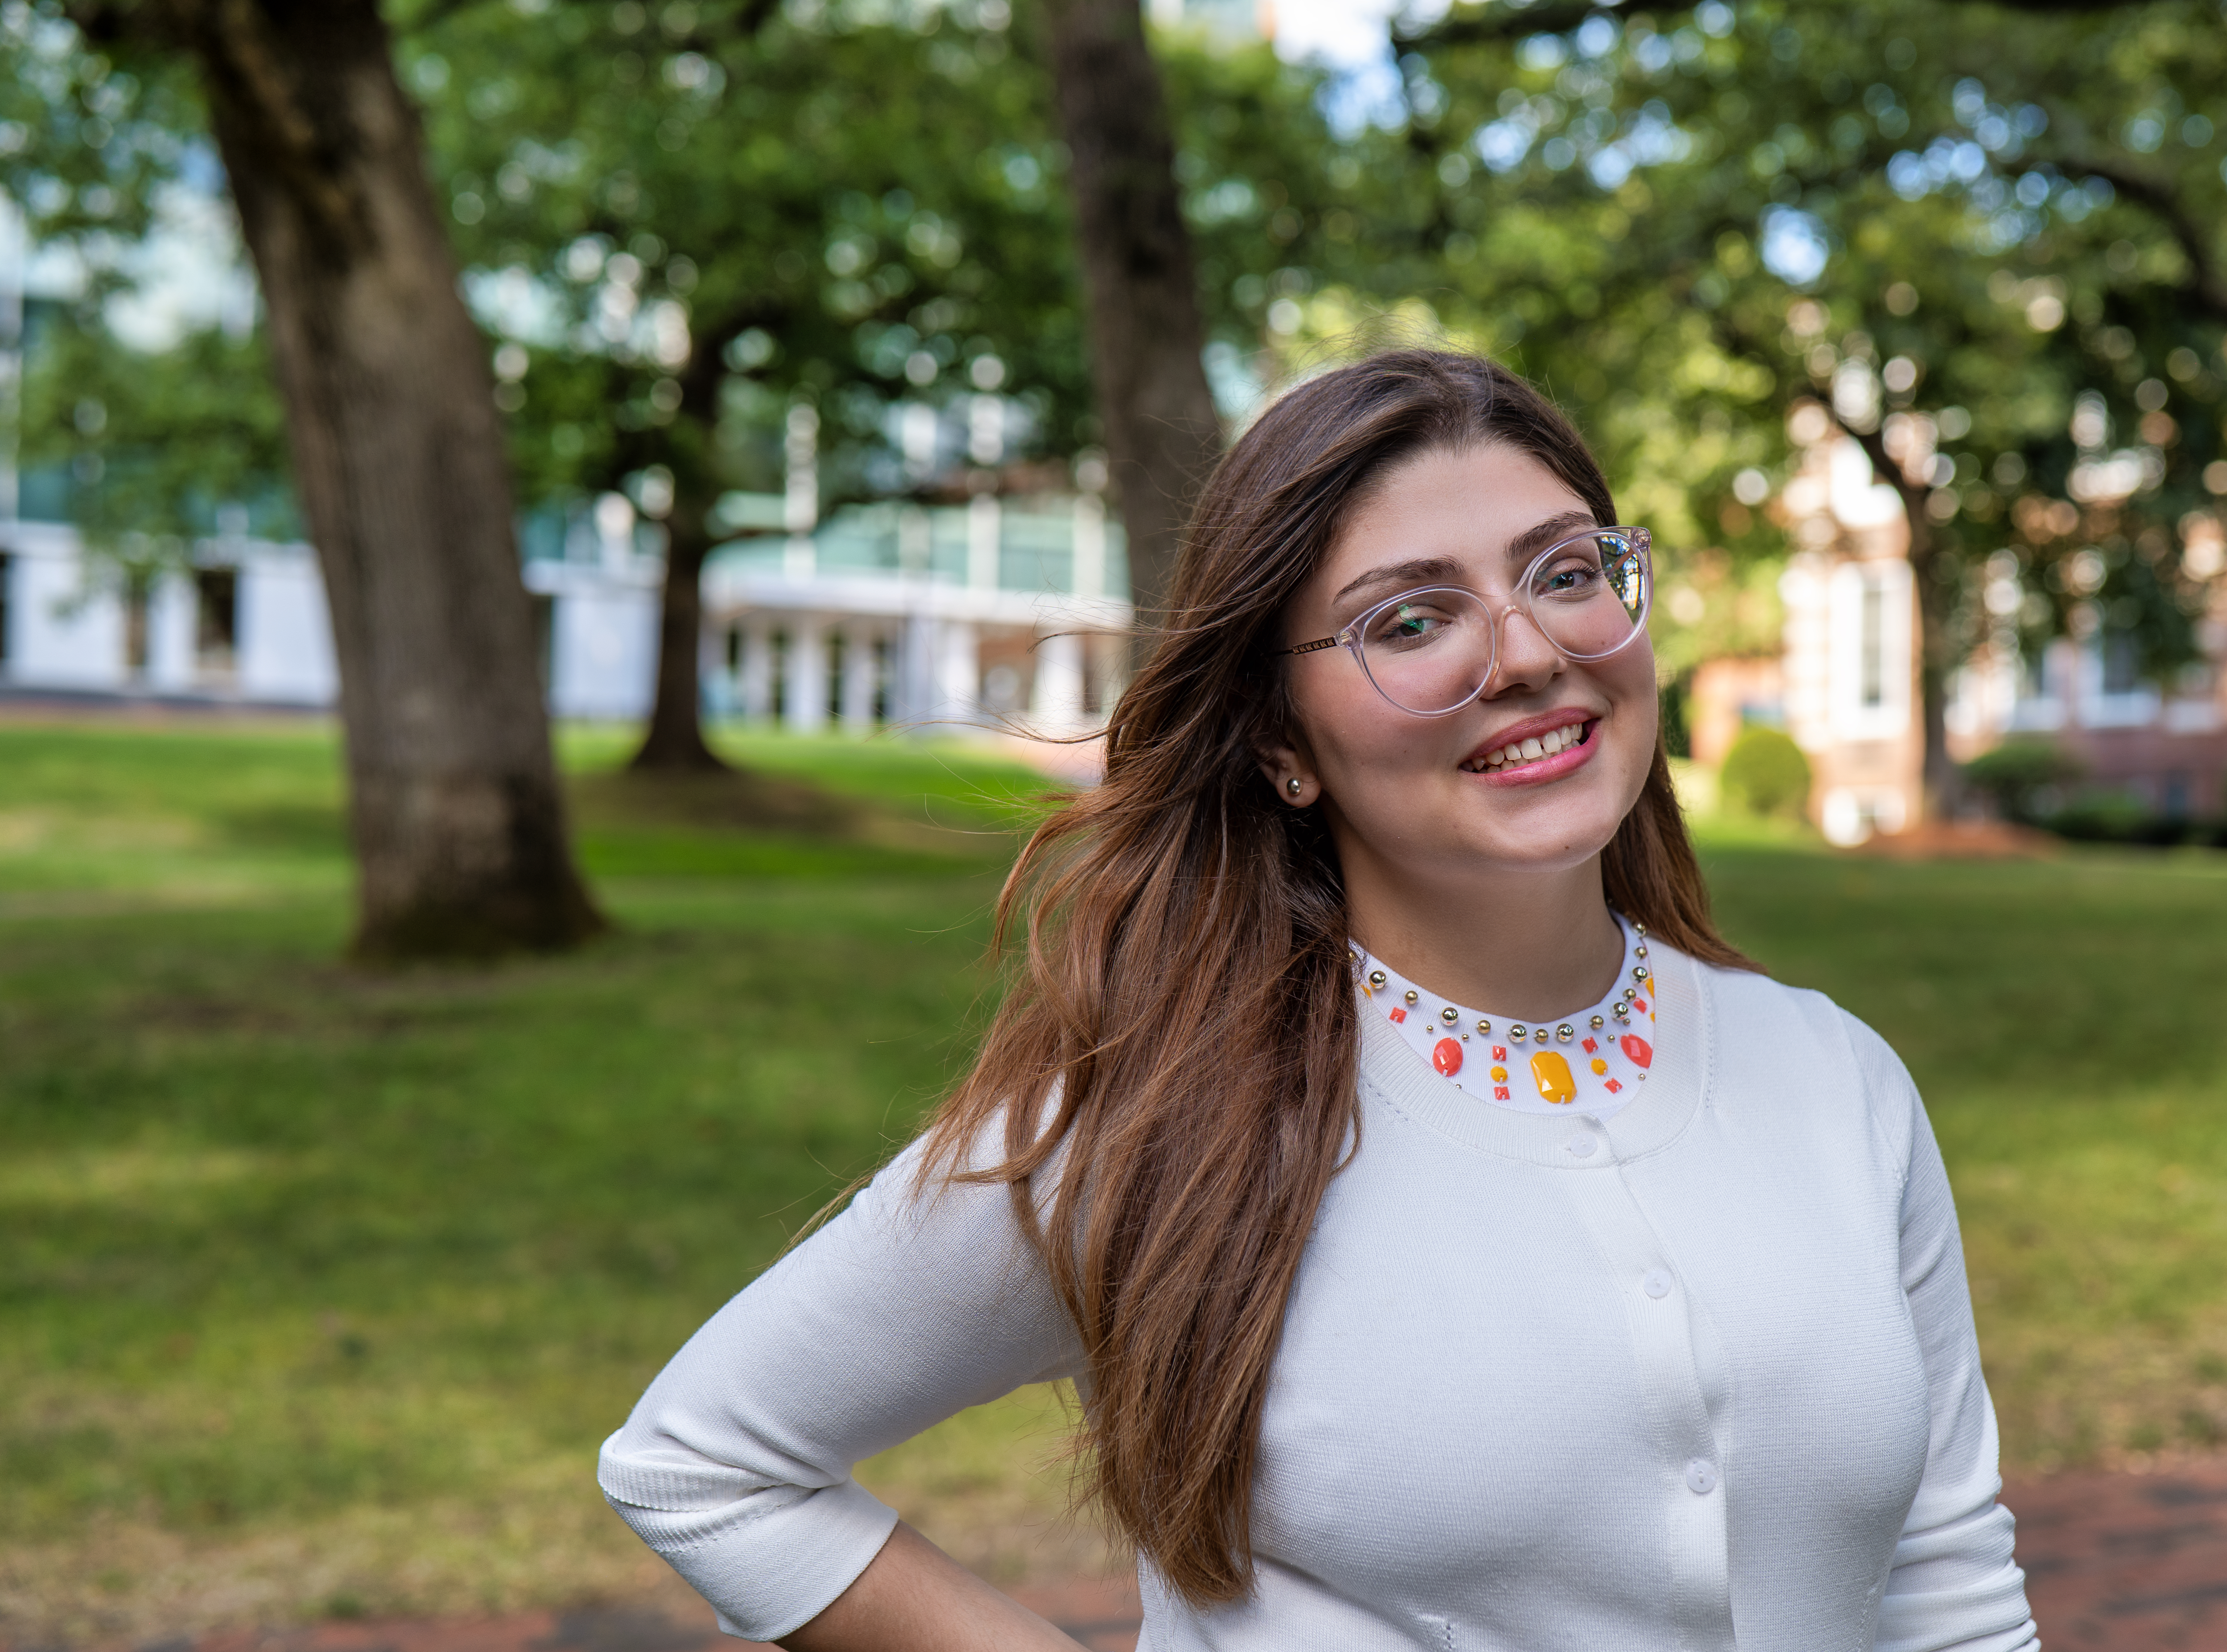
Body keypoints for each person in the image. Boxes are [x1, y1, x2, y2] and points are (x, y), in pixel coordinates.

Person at [598, 350, 2038, 1652]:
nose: (1528, 650)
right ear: (1284, 743)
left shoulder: (1833, 1079)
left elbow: (1952, 1590)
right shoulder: (1155, 1115)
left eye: (1565, 571)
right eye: (1410, 622)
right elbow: (706, 1461)